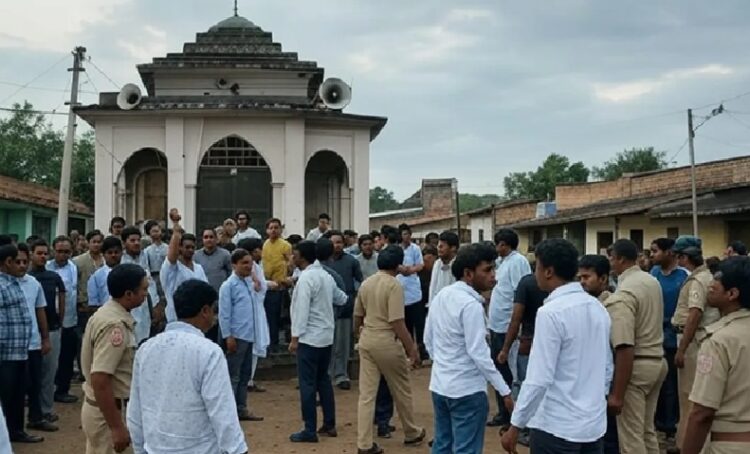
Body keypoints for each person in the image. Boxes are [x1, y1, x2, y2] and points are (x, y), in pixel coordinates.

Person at [502, 239, 612, 454]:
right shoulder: (598, 309)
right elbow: (607, 368)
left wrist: (515, 424)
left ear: (548, 271)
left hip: (556, 427)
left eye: (537, 267)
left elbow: (538, 378)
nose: (535, 273)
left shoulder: (551, 313)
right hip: (592, 426)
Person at [127, 279, 248, 454]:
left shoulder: (146, 349)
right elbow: (222, 411)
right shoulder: (209, 352)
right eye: (214, 311)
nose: (215, 318)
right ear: (205, 311)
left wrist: (140, 449)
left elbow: (135, 410)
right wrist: (238, 450)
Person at [426, 243, 513, 454]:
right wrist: (505, 391)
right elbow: (479, 354)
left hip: (440, 386)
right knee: (466, 450)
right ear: (468, 273)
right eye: (487, 270)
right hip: (467, 391)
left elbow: (428, 340)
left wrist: (444, 365)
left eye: (494, 269)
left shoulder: (442, 296)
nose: (494, 276)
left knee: (442, 446)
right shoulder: (470, 305)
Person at [354, 245, 426, 454]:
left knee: (366, 395)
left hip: (367, 338)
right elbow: (397, 322)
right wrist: (412, 348)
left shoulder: (367, 283)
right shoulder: (394, 285)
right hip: (386, 340)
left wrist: (358, 334)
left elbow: (357, 315)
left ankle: (364, 443)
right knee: (401, 388)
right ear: (397, 265)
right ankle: (411, 431)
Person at [682, 257, 750, 454]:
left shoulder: (719, 341)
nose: (710, 285)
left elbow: (702, 413)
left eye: (717, 281)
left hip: (730, 446)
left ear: (732, 294)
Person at [605, 239, 667, 454]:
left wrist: (617, 394)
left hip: (636, 366)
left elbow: (624, 346)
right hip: (657, 361)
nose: (610, 263)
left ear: (620, 259)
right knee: (646, 430)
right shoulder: (651, 281)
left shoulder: (623, 294)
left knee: (631, 438)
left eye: (611, 258)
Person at [80, 263, 148, 454]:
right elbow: (100, 378)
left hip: (107, 410)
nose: (146, 294)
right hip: (108, 413)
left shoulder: (109, 314)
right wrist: (117, 427)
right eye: (143, 289)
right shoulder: (114, 325)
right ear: (128, 294)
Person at [288, 240, 348, 443]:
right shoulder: (325, 275)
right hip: (326, 336)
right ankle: (329, 424)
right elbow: (342, 298)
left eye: (294, 255)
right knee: (323, 380)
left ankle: (309, 429)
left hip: (309, 338)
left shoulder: (306, 278)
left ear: (302, 257)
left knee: (307, 384)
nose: (291, 258)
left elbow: (301, 310)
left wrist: (295, 338)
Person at [671, 235, 719, 451]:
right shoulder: (706, 276)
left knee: (690, 398)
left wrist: (682, 349)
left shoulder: (698, 281)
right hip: (699, 339)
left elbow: (694, 314)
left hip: (693, 341)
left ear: (684, 257)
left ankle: (689, 446)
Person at [488, 228, 531, 427]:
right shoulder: (502, 263)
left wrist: (517, 326)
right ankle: (503, 413)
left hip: (509, 327)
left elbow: (519, 295)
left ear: (505, 244)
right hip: (496, 325)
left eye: (499, 244)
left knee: (512, 374)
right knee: (499, 370)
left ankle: (514, 418)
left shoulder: (518, 262)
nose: (497, 248)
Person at [650, 238, 689, 451]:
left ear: (669, 253)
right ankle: (656, 425)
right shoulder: (653, 274)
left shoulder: (684, 277)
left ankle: (670, 428)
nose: (652, 255)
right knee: (658, 384)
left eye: (655, 251)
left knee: (672, 387)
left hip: (675, 340)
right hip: (654, 338)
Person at [579, 254, 619, 454]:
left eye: (587, 277)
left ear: (603, 279)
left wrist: (613, 393)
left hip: (605, 384)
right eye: (580, 278)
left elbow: (619, 349)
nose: (582, 282)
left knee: (608, 439)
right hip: (589, 386)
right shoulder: (585, 305)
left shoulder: (610, 305)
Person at [0, 244, 41, 443]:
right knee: (5, 397)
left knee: (18, 396)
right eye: (17, 261)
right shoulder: (0, 285)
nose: (22, 266)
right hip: (5, 354)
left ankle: (16, 432)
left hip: (20, 352)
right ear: (7, 262)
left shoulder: (15, 283)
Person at [219, 249, 264, 422]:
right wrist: (228, 336)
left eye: (250, 263)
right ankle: (229, 411)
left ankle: (241, 408)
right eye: (244, 263)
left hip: (249, 335)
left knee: (245, 375)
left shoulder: (248, 283)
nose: (248, 266)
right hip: (236, 336)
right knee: (233, 376)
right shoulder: (228, 286)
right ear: (234, 265)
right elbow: (225, 313)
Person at [15, 243, 56, 433]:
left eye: (24, 261)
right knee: (16, 386)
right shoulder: (4, 284)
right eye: (18, 262)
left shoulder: (33, 283)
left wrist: (45, 338)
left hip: (33, 341)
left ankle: (36, 418)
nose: (22, 265)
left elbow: (40, 311)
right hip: (12, 345)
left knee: (36, 382)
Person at [28, 240, 66, 425]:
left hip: (51, 330)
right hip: (29, 334)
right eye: (39, 253)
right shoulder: (25, 278)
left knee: (49, 374)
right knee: (30, 376)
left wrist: (59, 322)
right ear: (30, 254)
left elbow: (62, 299)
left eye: (45, 253)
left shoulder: (53, 277)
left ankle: (46, 409)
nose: (42, 256)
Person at [324, 230, 363, 390]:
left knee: (343, 344)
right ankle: (325, 375)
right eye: (333, 242)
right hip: (325, 309)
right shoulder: (323, 263)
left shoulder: (351, 261)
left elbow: (359, 281)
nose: (337, 245)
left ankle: (341, 375)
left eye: (339, 242)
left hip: (345, 308)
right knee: (327, 344)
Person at [46, 235, 79, 405]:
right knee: (50, 360)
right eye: (59, 251)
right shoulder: (46, 268)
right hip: (50, 322)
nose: (63, 255)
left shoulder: (74, 268)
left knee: (66, 357)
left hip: (69, 320)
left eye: (67, 252)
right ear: (53, 250)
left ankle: (62, 390)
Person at [161, 209, 208, 323]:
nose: (190, 250)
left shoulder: (199, 268)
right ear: (180, 248)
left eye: (193, 247)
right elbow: (172, 253)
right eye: (187, 247)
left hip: (197, 318)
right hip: (176, 317)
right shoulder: (173, 267)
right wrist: (176, 228)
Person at [236, 238, 271, 394]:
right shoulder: (241, 270)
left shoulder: (256, 267)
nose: (260, 253)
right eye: (258, 249)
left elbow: (261, 287)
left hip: (257, 309)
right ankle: (244, 379)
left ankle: (250, 378)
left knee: (256, 344)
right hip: (247, 312)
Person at [195, 228, 232, 343]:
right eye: (206, 237)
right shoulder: (196, 256)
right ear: (202, 240)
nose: (209, 240)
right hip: (202, 300)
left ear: (216, 239)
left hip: (221, 299)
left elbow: (231, 275)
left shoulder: (225, 255)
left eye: (211, 237)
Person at [120, 227, 156, 344]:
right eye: (132, 240)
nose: (136, 243)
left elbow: (150, 283)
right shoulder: (121, 260)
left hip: (145, 306)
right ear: (124, 243)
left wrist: (155, 306)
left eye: (138, 240)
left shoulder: (144, 256)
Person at [261, 218, 293, 351]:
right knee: (269, 316)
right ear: (267, 230)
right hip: (267, 285)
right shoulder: (265, 244)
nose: (273, 230)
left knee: (281, 316)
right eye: (271, 228)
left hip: (281, 286)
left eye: (276, 227)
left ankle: (280, 343)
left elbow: (290, 264)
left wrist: (286, 278)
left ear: (280, 229)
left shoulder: (285, 245)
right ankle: (270, 343)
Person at [396, 224, 425, 368]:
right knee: (405, 326)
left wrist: (409, 270)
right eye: (403, 234)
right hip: (400, 292)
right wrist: (402, 270)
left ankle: (421, 354)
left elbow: (420, 265)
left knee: (418, 325)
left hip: (414, 291)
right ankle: (409, 355)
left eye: (407, 233)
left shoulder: (415, 249)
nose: (405, 236)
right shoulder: (396, 249)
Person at [74, 230, 104, 356]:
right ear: (88, 243)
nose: (96, 245)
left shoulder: (107, 260)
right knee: (85, 339)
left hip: (103, 305)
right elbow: (74, 284)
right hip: (84, 306)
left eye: (99, 242)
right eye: (94, 242)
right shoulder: (78, 261)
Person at [87, 237, 124, 310]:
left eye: (116, 252)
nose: (113, 255)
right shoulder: (96, 276)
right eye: (110, 253)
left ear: (121, 253)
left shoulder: (129, 273)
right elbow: (93, 304)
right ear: (103, 254)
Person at [417, 245, 437, 359]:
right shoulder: (420, 271)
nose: (427, 262)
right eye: (425, 259)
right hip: (421, 301)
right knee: (421, 327)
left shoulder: (438, 269)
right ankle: (422, 351)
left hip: (433, 302)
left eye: (430, 259)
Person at [428, 231, 459, 305]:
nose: (438, 249)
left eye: (442, 246)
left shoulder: (460, 265)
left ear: (453, 248)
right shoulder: (437, 264)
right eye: (438, 246)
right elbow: (432, 289)